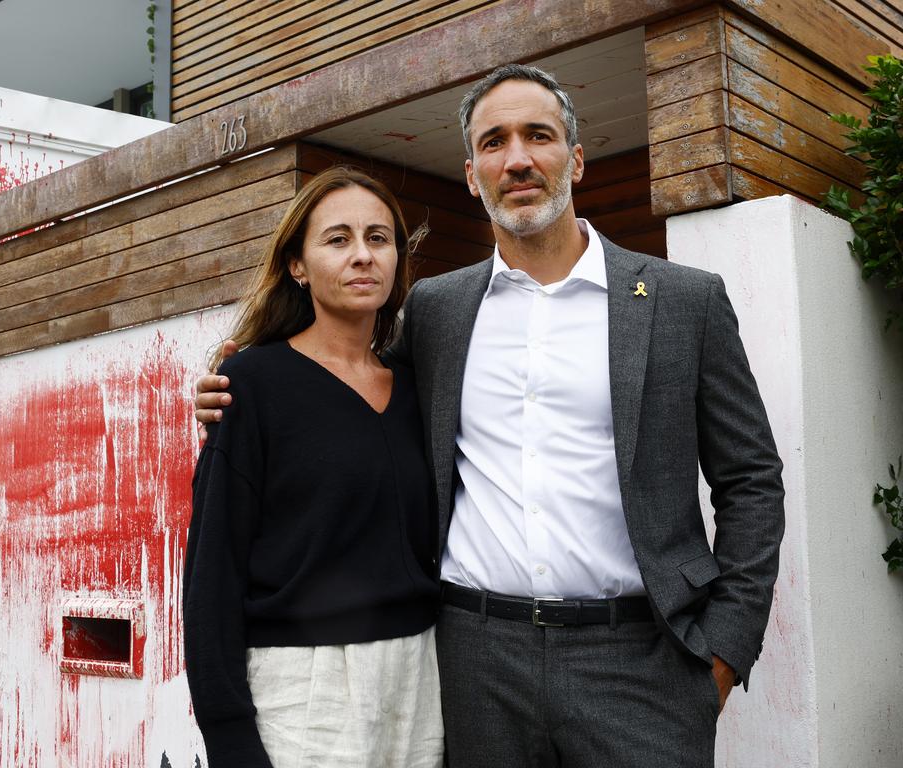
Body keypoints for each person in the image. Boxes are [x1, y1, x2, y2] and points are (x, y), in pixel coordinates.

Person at [195, 64, 785, 768]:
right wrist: (238, 384)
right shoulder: (437, 312)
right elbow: (339, 396)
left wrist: (722, 651)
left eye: (538, 135)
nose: (519, 158)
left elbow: (751, 479)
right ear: (473, 174)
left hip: (641, 661)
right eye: (495, 142)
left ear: (576, 157)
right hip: (473, 662)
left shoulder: (684, 302)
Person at [183, 166, 443, 768]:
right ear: (297, 265)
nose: (362, 256)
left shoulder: (419, 387)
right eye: (338, 239)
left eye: (379, 239)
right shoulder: (250, 384)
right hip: (305, 691)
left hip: (419, 678)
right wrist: (228, 735)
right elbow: (213, 569)